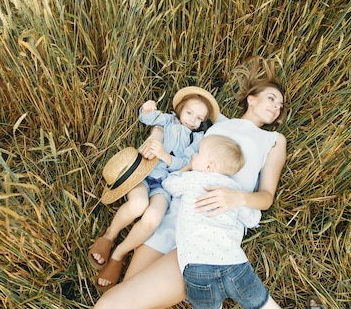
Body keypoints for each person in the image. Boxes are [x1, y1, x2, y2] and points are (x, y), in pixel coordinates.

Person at [94, 57, 294, 309]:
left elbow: (266, 196)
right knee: (126, 292)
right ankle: (118, 254)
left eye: (280, 105)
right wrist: (154, 129)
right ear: (251, 99)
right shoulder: (216, 122)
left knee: (113, 305)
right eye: (272, 98)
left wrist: (238, 198)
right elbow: (174, 126)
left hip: (211, 228)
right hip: (178, 209)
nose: (277, 107)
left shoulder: (274, 140)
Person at [89, 86, 220, 289]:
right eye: (189, 113)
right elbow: (148, 118)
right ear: (180, 108)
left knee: (153, 218)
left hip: (164, 184)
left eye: (199, 118)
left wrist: (165, 156)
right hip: (143, 174)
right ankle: (109, 236)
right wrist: (147, 109)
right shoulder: (167, 120)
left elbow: (184, 163)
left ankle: (119, 254)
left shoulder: (196, 140)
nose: (192, 120)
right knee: (138, 203)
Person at [162, 134, 277, 309]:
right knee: (260, 302)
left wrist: (187, 167)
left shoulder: (192, 179)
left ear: (209, 165)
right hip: (234, 262)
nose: (194, 156)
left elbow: (169, 183)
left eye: (198, 153)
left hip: (197, 267)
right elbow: (253, 219)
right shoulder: (234, 190)